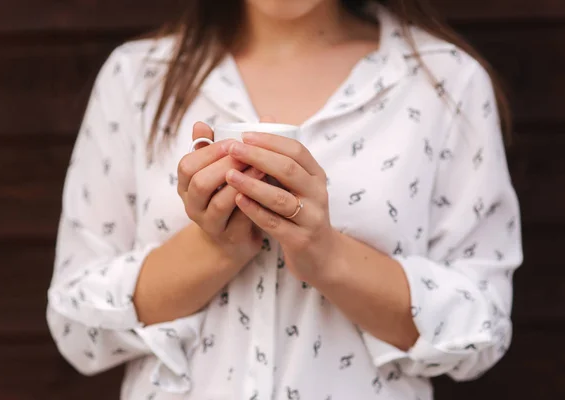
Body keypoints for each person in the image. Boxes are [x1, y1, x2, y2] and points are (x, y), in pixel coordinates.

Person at [46, 0, 523, 399]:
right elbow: (76, 325)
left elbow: (481, 328)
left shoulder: (444, 82)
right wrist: (215, 248)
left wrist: (326, 255)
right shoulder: (137, 79)